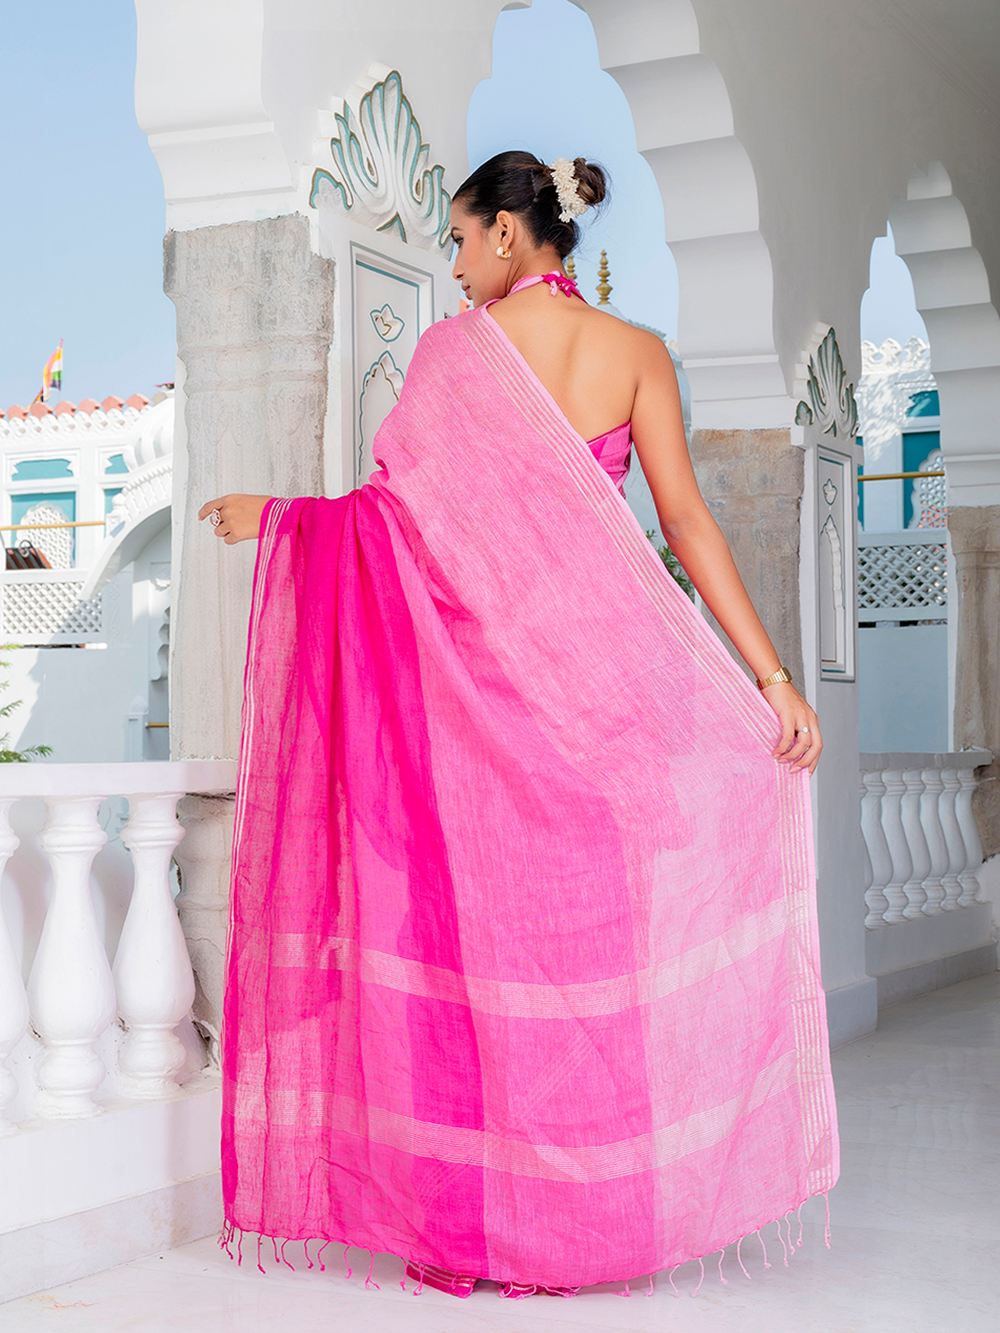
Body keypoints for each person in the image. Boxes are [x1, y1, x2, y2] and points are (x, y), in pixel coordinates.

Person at [200, 151, 838, 1299]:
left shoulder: (459, 359)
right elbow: (687, 527)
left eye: (457, 241)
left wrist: (286, 520)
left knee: (483, 973)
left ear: (507, 234)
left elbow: (393, 525)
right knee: (587, 974)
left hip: (481, 714)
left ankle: (474, 1230)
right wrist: (771, 680)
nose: (451, 269)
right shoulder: (636, 354)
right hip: (606, 708)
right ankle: (582, 1229)